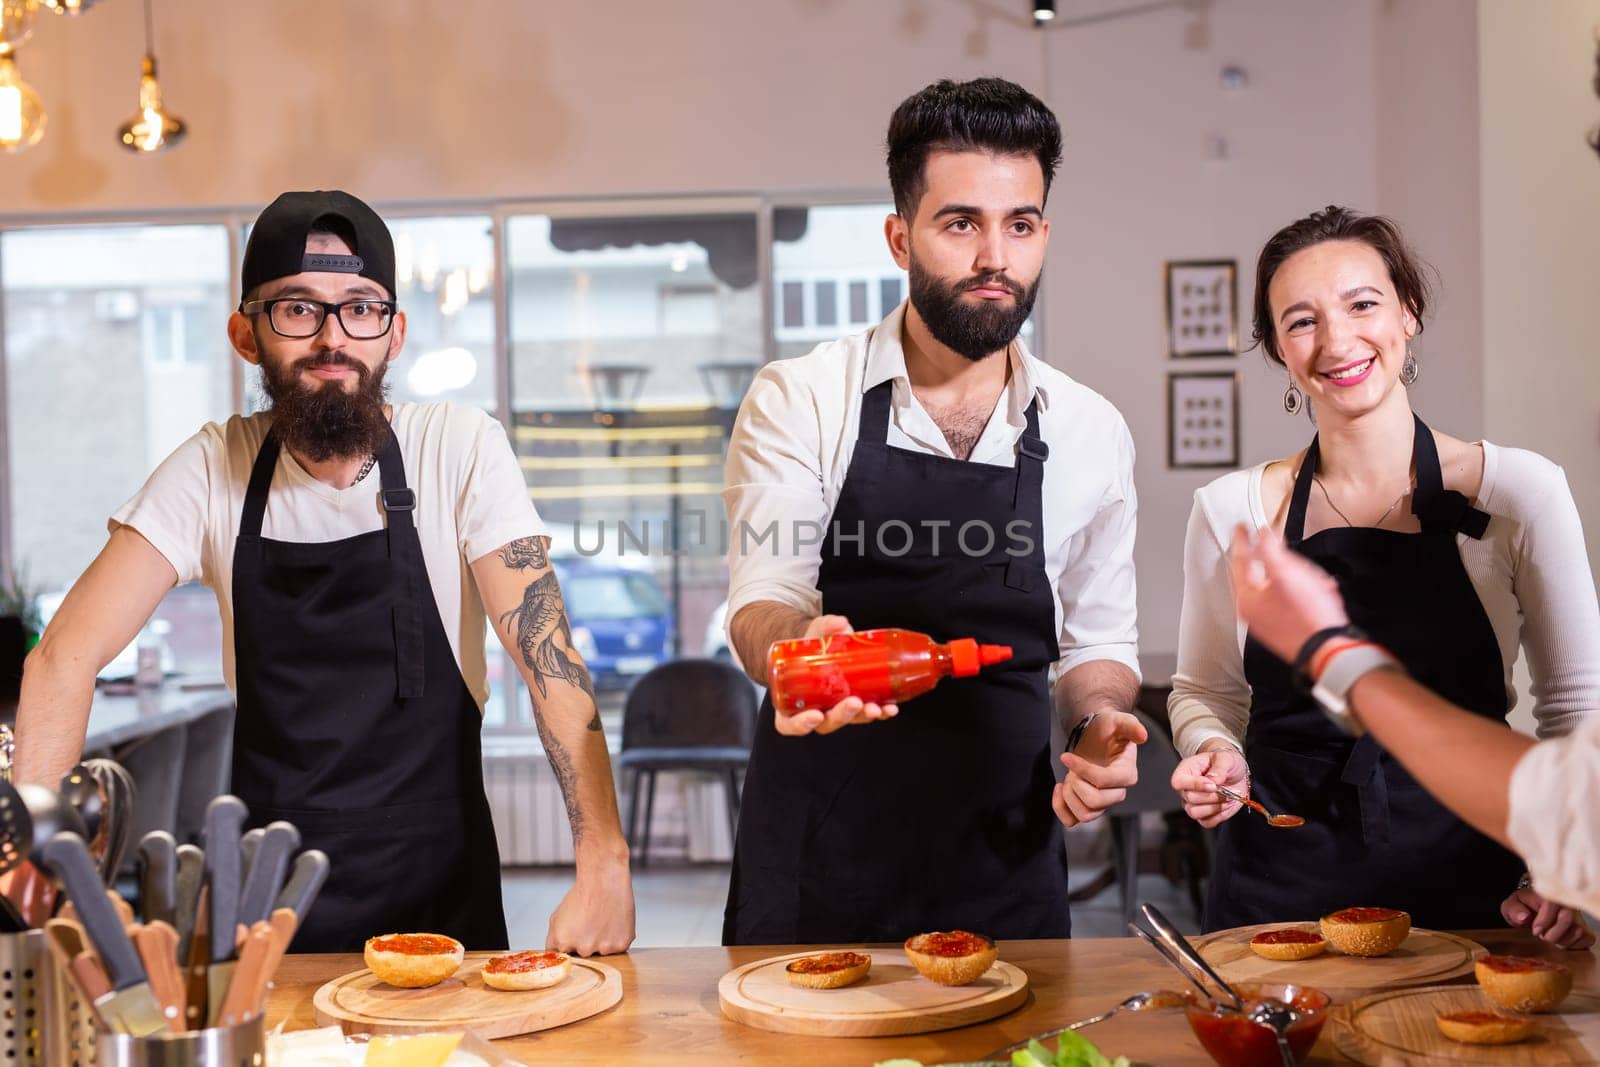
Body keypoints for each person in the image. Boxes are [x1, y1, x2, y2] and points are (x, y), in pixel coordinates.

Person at [10, 190, 635, 954]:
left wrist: (604, 861)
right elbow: (60, 657)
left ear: (394, 331)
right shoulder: (214, 468)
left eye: (360, 308)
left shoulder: (459, 450)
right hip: (269, 920)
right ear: (246, 334)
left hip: (443, 904)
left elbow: (550, 662)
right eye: (298, 309)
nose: (333, 337)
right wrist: (40, 866)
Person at [721, 77, 1146, 945]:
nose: (996, 256)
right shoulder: (803, 397)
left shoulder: (1091, 430)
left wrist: (1101, 723)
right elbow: (764, 596)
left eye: (1019, 224)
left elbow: (1097, 641)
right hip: (818, 856)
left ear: (1043, 235)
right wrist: (795, 656)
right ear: (899, 236)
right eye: (962, 224)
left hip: (1006, 856)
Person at [1167, 205, 1600, 942]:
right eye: (1300, 321)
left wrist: (1557, 863)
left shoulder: (1519, 491)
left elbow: (1576, 704)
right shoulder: (1229, 508)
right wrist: (1215, 754)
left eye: (1362, 304)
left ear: (1408, 311)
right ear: (1276, 347)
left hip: (1475, 893)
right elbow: (1206, 691)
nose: (1337, 340)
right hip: (1278, 894)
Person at [1227, 526, 1600, 934]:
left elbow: (1568, 802)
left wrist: (1329, 652)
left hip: (1466, 873)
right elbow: (1569, 800)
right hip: (1283, 869)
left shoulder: (1514, 498)